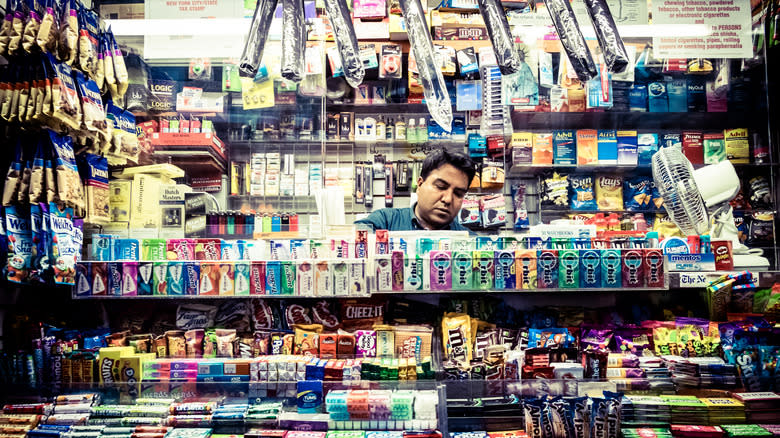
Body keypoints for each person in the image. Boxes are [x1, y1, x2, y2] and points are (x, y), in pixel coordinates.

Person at [355, 149, 476, 231]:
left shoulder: (469, 242)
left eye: (458, 193)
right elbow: (353, 235)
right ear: (420, 184)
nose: (448, 199)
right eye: (440, 186)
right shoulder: (386, 221)